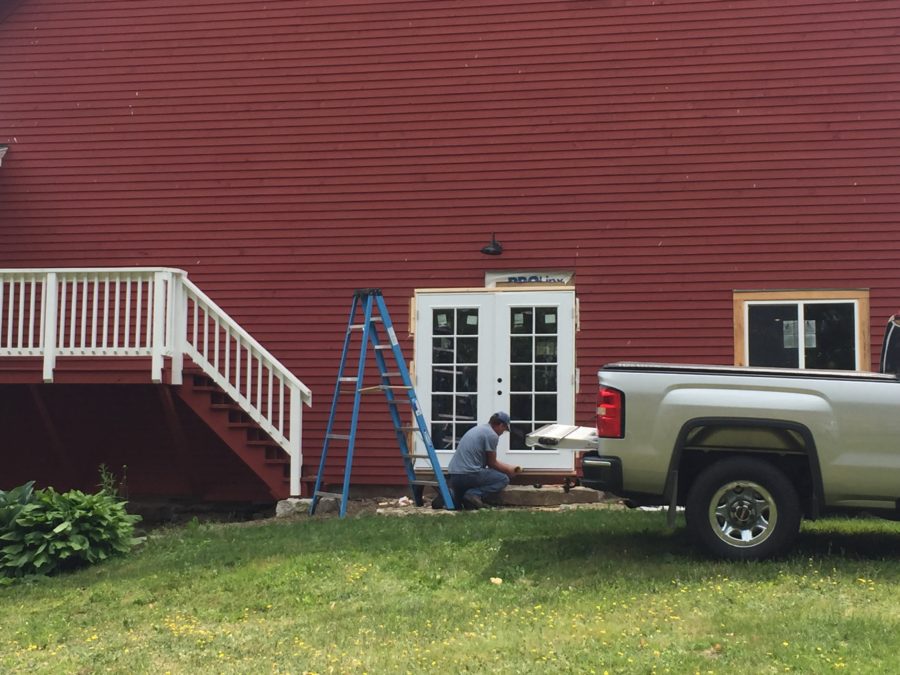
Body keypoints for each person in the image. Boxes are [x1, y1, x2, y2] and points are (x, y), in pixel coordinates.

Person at [446, 411, 521, 510]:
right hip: (468, 474)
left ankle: (451, 496)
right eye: (504, 429)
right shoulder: (492, 435)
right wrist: (509, 470)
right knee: (503, 479)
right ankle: (473, 495)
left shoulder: (479, 429)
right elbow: (492, 463)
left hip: (454, 475)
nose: (503, 433)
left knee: (457, 504)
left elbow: (488, 464)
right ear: (501, 425)